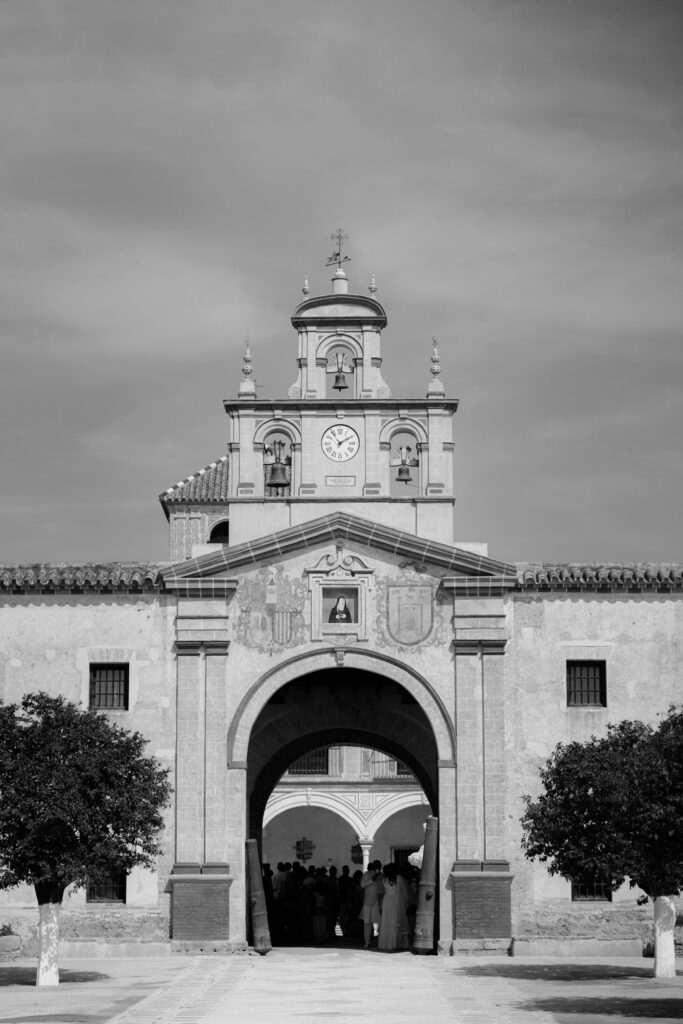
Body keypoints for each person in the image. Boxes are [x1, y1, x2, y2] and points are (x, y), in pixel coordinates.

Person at [377, 862, 412, 952]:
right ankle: (398, 943)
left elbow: (385, 891)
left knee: (387, 922)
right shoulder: (399, 878)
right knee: (397, 921)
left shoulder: (384, 879)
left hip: (387, 900)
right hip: (396, 901)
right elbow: (404, 892)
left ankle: (388, 943)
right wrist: (406, 902)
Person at [359, 860, 383, 948]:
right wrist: (372, 879)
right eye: (376, 866)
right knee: (367, 923)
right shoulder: (366, 874)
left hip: (377, 902)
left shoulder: (381, 876)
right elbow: (362, 885)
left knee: (379, 922)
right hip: (367, 902)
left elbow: (382, 890)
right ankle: (367, 942)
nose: (378, 867)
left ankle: (381, 941)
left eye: (379, 866)